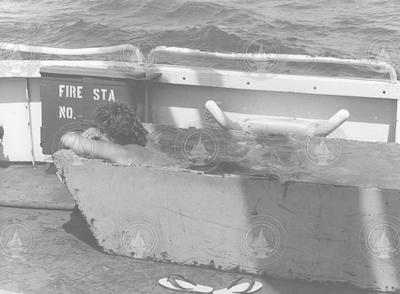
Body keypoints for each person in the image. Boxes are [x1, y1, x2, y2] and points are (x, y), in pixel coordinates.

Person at [60, 102, 174, 166]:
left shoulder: (123, 152)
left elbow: (71, 140)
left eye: (100, 133)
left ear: (105, 133)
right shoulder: (146, 141)